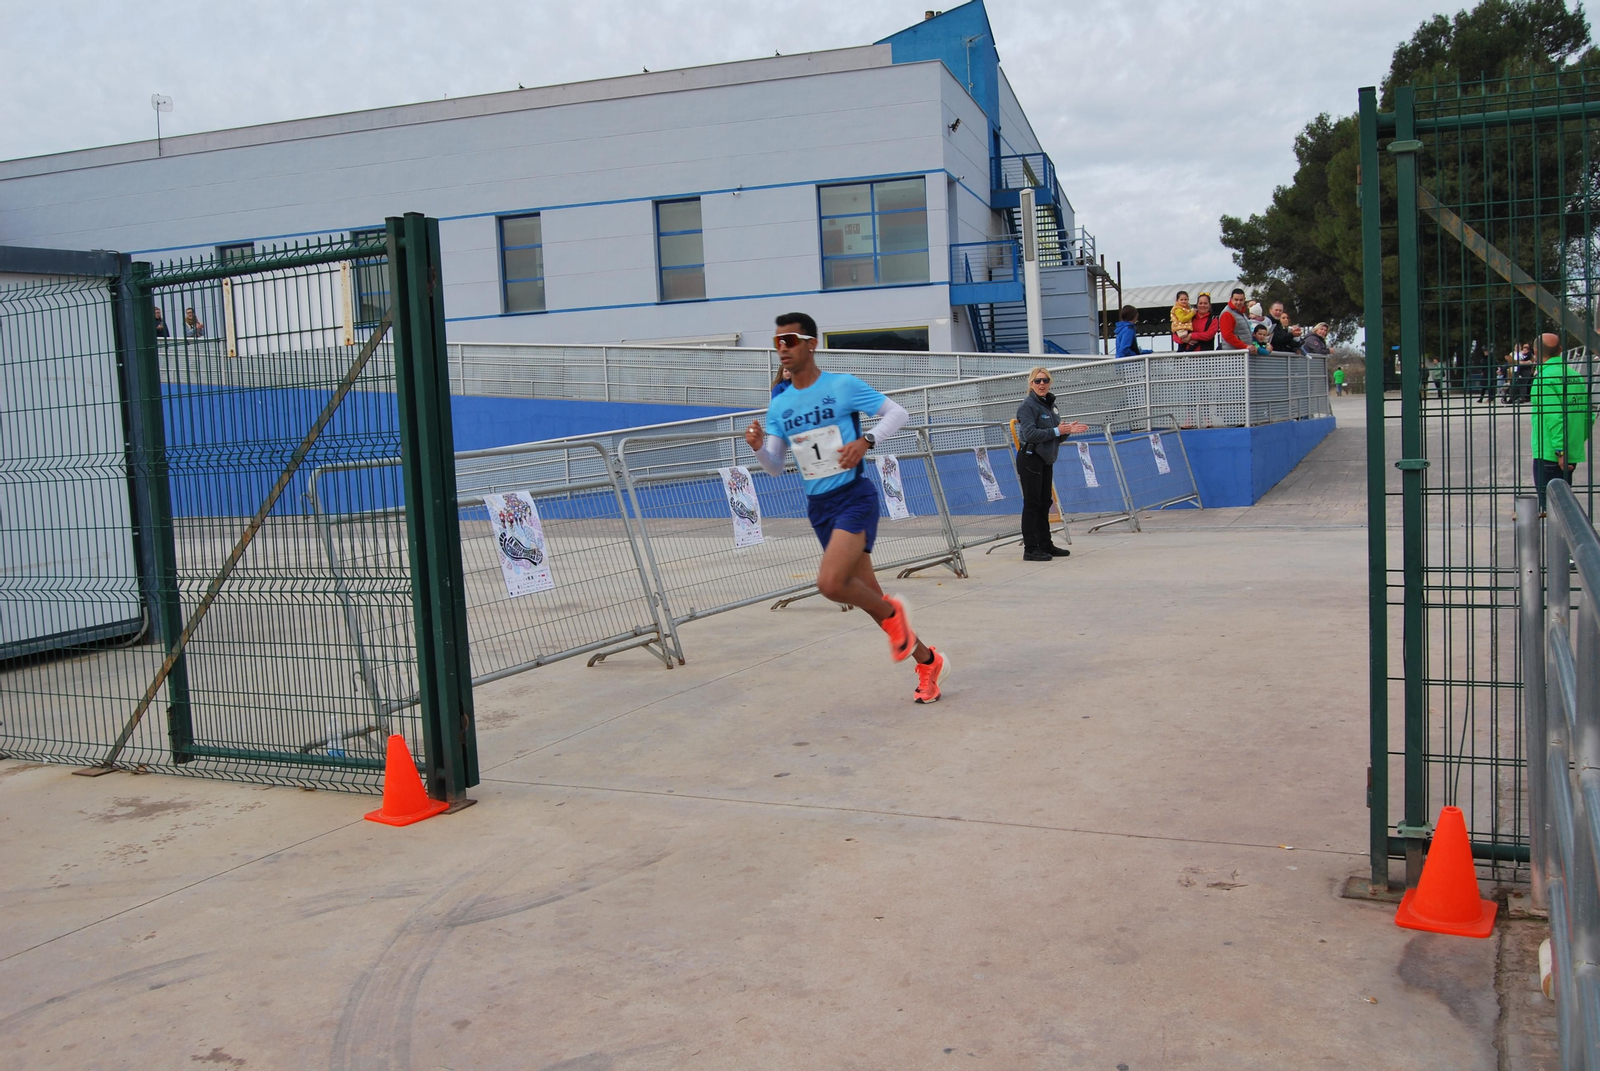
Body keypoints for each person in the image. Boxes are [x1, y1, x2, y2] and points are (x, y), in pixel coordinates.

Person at [744, 312, 950, 704]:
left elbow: (898, 413)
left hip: (854, 498)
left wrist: (867, 441)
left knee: (831, 584)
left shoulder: (842, 385)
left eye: (790, 339)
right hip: (819, 507)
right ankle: (928, 661)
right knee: (870, 599)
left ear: (811, 343)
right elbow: (773, 467)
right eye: (777, 342)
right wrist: (757, 447)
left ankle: (898, 619)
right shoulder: (780, 404)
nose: (782, 348)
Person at [1014, 366, 1090, 562]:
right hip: (1031, 457)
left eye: (1045, 380)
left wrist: (1066, 431)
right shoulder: (1027, 406)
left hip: (1046, 459)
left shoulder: (1050, 405)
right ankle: (1031, 548)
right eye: (1037, 381)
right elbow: (1030, 434)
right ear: (1031, 384)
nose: (1042, 384)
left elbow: (1054, 437)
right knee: (1032, 503)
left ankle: (1045, 543)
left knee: (1045, 502)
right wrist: (1057, 431)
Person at [1530, 331, 1594, 512]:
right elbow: (1588, 415)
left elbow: (1553, 416)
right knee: (1565, 506)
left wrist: (1560, 450)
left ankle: (1559, 540)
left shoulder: (1543, 378)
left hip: (1551, 453)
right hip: (1570, 452)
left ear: (1535, 352)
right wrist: (1575, 442)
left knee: (1552, 509)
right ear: (1560, 350)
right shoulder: (1575, 376)